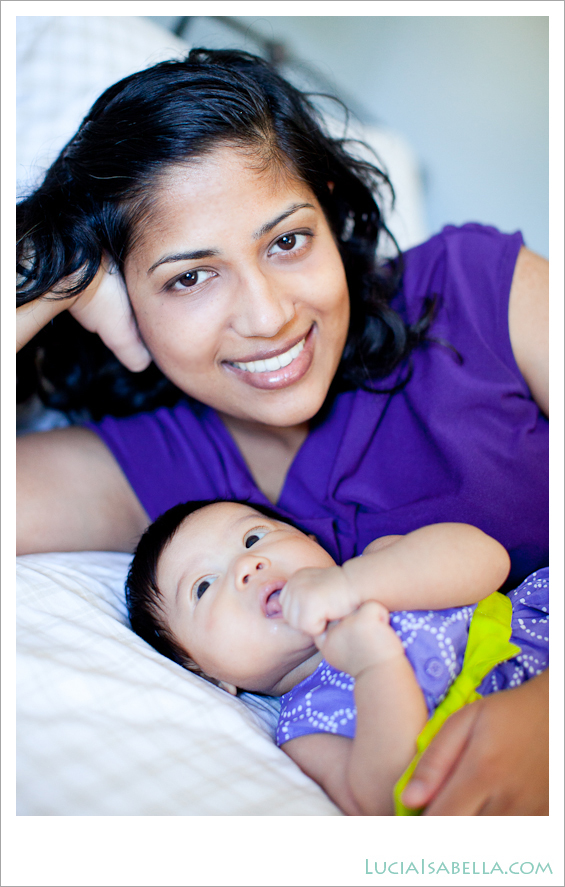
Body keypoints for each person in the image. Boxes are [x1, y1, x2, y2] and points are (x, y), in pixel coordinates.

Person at [16, 49, 549, 814]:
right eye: (188, 277)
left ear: (328, 211)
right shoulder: (160, 470)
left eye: (287, 240)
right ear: (124, 299)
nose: (267, 317)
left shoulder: (476, 288)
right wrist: (41, 265)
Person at [124, 498, 549, 816]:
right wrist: (376, 667)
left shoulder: (383, 564)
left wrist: (351, 585)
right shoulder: (306, 729)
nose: (248, 564)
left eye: (254, 537)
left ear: (311, 543)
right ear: (206, 673)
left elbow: (488, 560)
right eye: (203, 586)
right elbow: (384, 799)